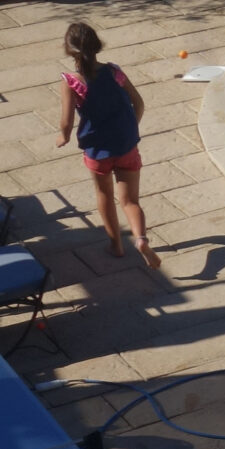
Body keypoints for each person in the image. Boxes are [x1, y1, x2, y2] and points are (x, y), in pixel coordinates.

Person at [55, 21, 155, 268]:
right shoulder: (114, 71)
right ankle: (140, 238)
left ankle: (116, 246)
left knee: (104, 195)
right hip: (126, 144)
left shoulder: (71, 82)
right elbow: (138, 103)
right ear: (97, 46)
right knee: (130, 200)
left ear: (69, 51)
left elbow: (66, 121)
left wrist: (63, 136)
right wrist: (131, 129)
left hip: (97, 150)